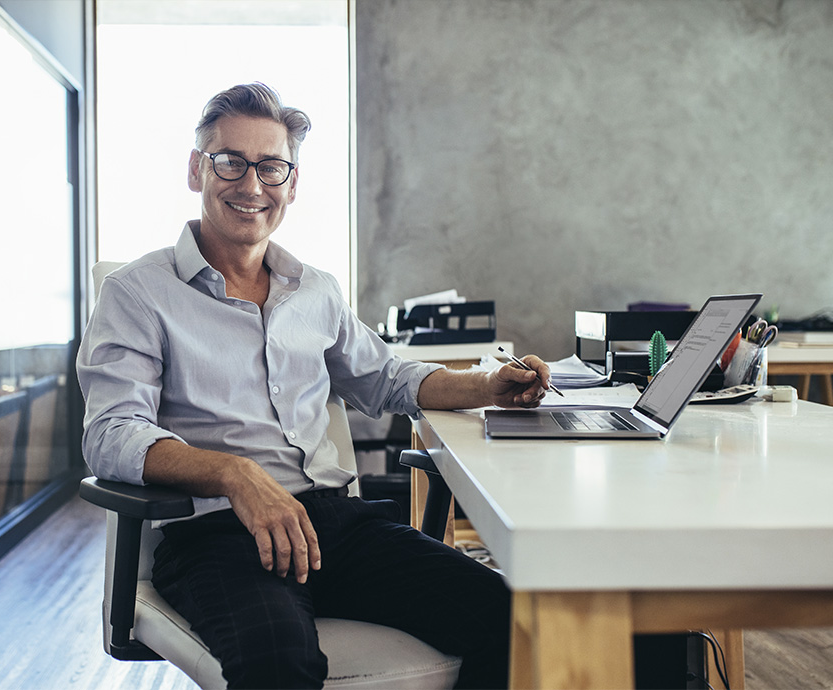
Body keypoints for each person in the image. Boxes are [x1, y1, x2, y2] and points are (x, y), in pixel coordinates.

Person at [77, 82, 552, 689]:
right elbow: (112, 432)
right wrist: (236, 474)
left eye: (271, 167)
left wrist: (490, 384)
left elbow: (387, 377)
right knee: (279, 663)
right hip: (218, 535)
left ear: (292, 183)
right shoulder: (138, 293)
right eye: (230, 161)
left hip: (334, 523)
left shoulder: (315, 289)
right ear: (197, 169)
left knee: (513, 619)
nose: (251, 185)